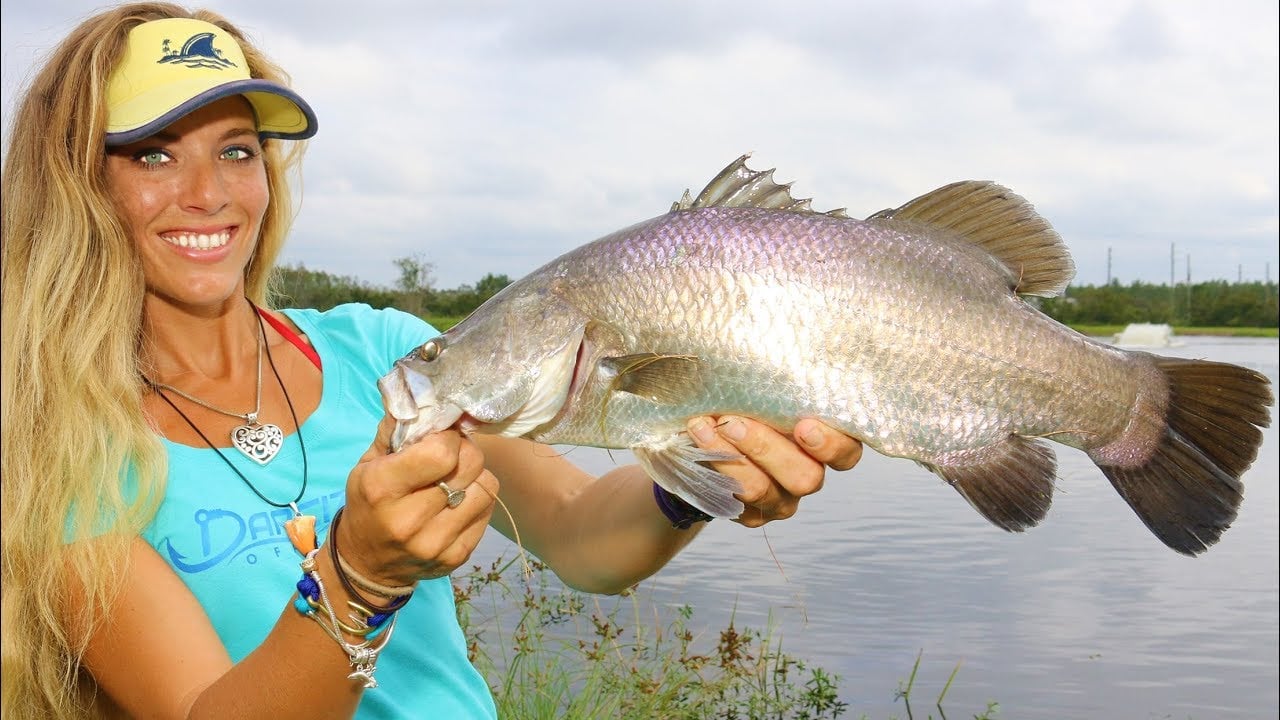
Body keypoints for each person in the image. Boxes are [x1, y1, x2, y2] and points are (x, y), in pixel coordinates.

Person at [0, 4, 864, 718]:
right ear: (76, 184)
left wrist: (693, 481)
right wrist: (357, 579)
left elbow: (578, 537)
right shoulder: (52, 447)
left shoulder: (381, 353)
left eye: (236, 150)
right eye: (154, 154)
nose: (210, 193)